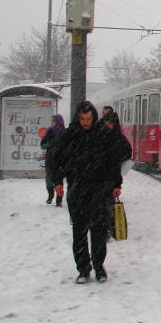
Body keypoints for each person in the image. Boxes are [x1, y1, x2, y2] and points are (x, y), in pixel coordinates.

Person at [49, 101, 128, 284]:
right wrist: (57, 181)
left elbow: (112, 161)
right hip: (77, 190)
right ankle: (83, 269)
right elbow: (56, 158)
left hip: (99, 190)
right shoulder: (70, 136)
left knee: (99, 232)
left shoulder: (102, 136)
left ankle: (99, 267)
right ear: (78, 118)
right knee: (79, 231)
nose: (85, 122)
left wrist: (116, 183)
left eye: (89, 119)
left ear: (94, 117)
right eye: (82, 119)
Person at [100, 111, 132, 239]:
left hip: (110, 179)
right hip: (97, 179)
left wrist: (117, 184)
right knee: (100, 206)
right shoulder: (98, 136)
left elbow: (126, 154)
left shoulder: (118, 139)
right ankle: (102, 228)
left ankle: (106, 228)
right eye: (105, 122)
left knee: (107, 206)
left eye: (110, 123)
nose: (107, 125)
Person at [40, 114, 66, 206]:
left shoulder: (64, 132)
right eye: (51, 121)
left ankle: (59, 200)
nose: (51, 122)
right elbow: (42, 144)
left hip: (60, 161)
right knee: (49, 181)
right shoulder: (49, 131)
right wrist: (51, 145)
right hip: (50, 160)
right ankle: (50, 196)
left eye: (53, 121)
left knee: (59, 182)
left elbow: (68, 146)